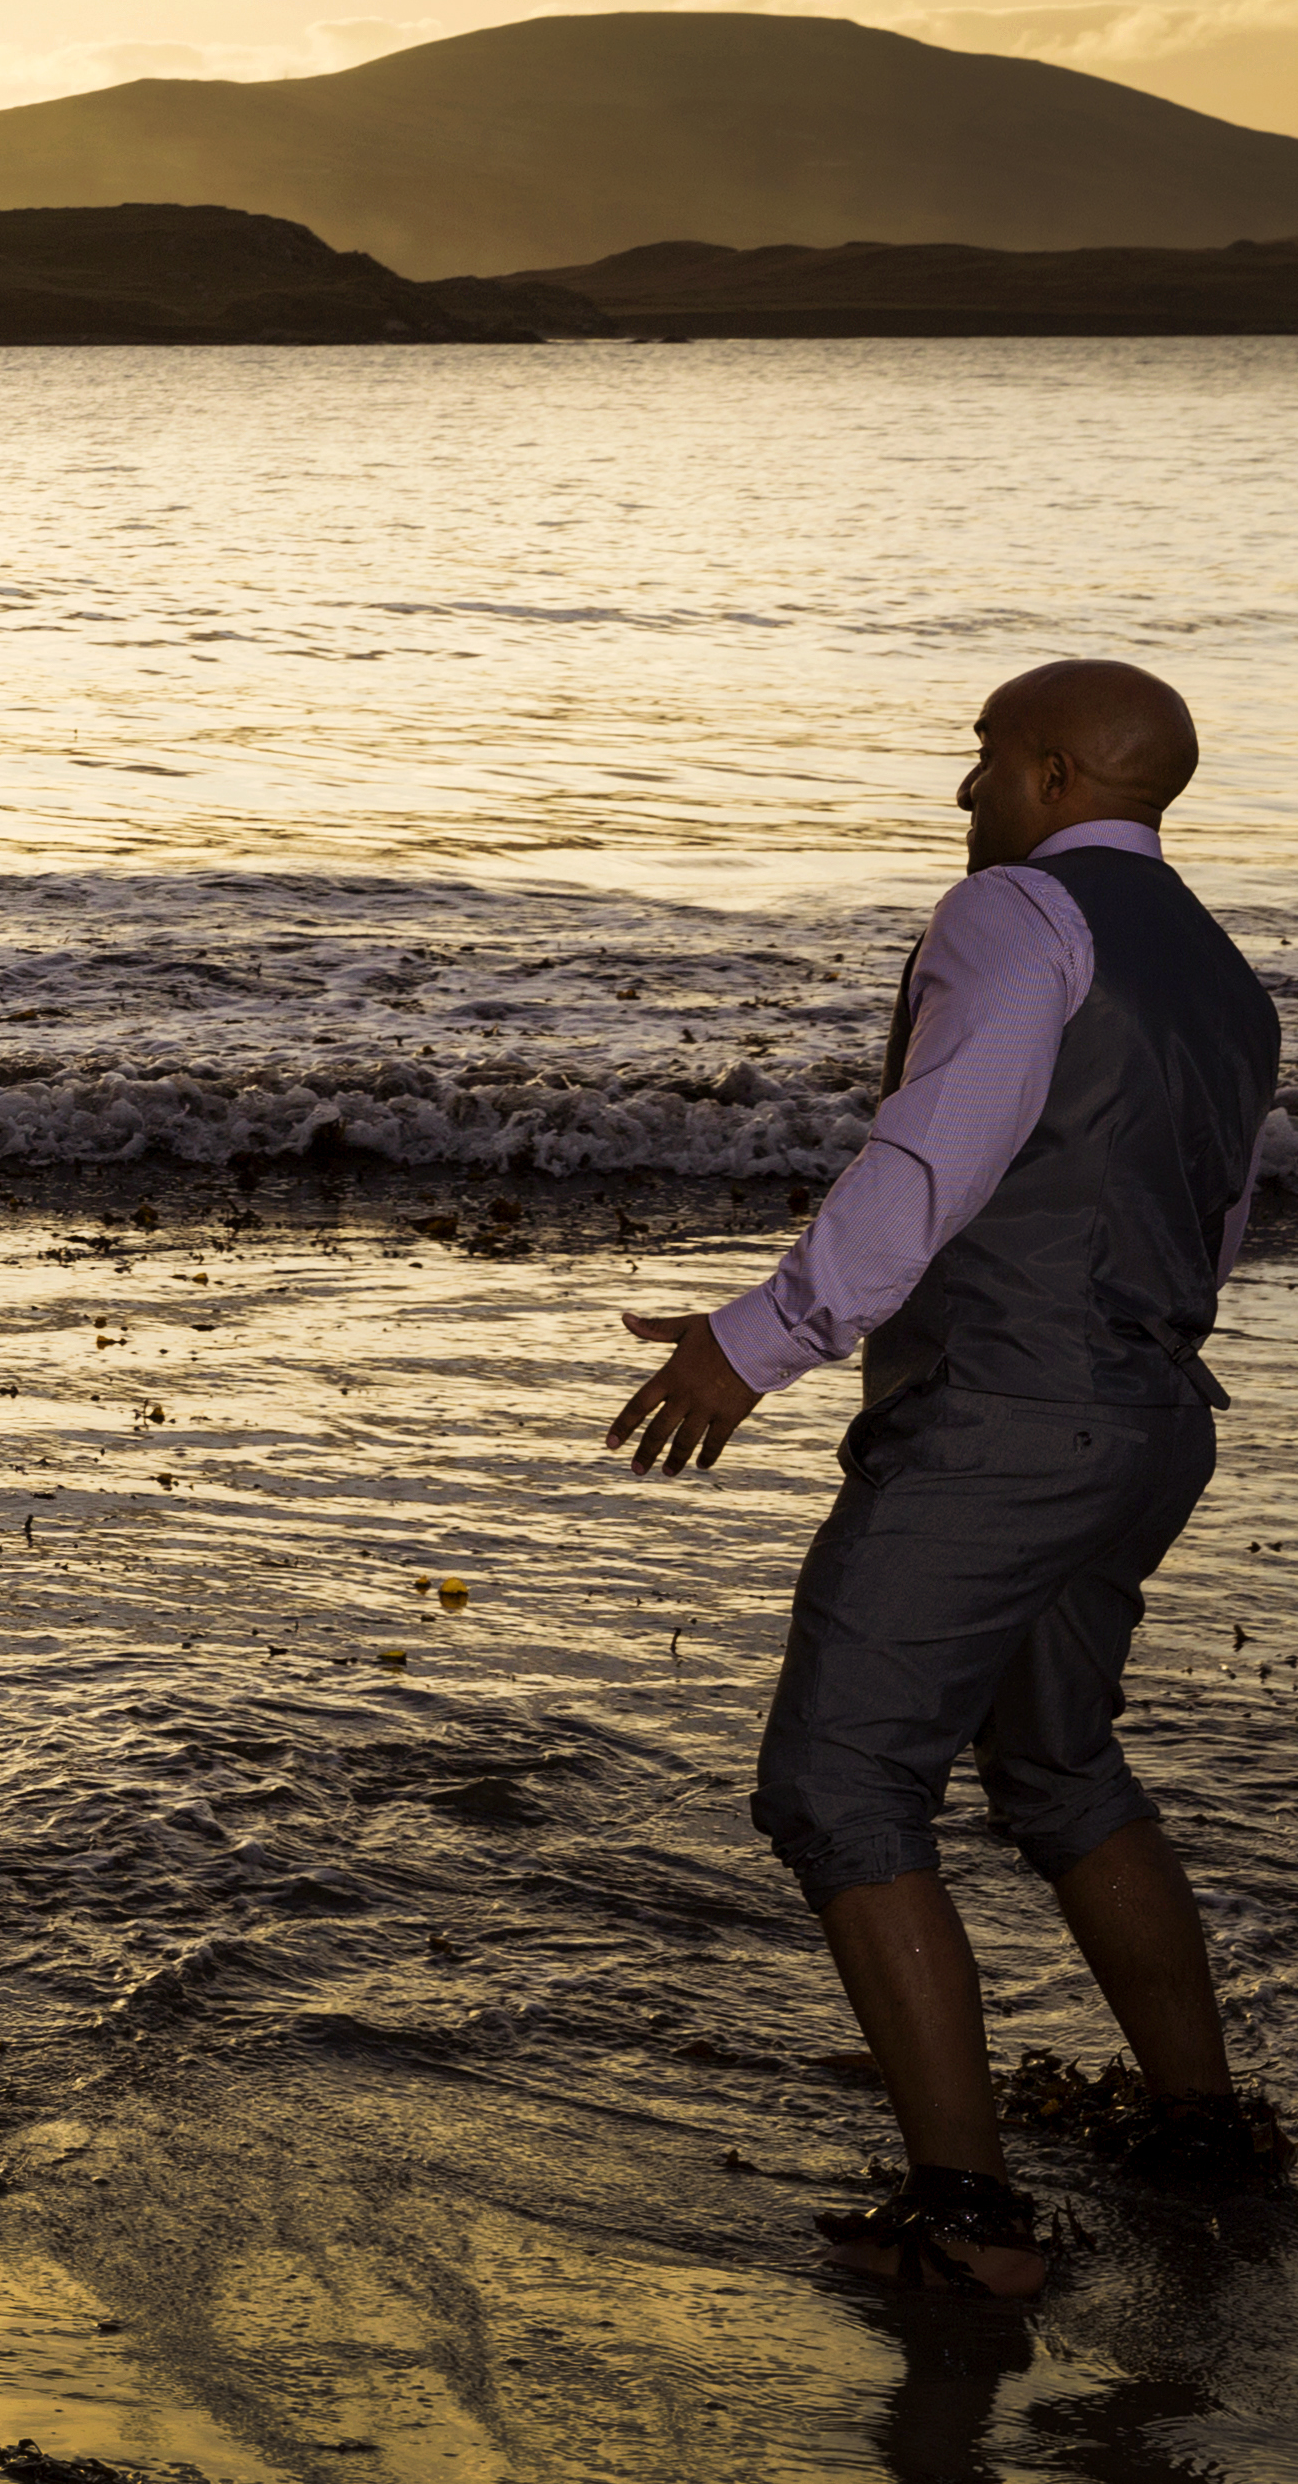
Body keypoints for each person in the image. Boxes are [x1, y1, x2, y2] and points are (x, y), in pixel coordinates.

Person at [610, 657, 1281, 2293]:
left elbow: (935, 1148)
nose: (961, 793)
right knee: (1059, 1766)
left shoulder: (1009, 919)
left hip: (1003, 1420)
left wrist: (759, 1340)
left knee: (839, 1788)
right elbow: (1212, 1219)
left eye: (983, 760)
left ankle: (967, 2221)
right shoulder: (1226, 977)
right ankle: (1202, 2129)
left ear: (1054, 775)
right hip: (1151, 1414)